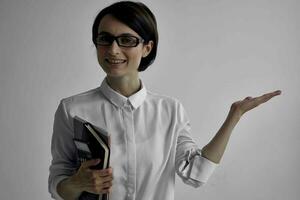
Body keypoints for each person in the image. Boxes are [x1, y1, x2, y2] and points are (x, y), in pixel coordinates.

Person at [48, 1, 282, 200]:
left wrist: (234, 116)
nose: (113, 49)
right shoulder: (72, 109)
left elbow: (196, 174)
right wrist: (77, 184)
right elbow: (57, 182)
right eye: (105, 39)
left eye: (127, 40)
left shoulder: (170, 110)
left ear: (147, 47)